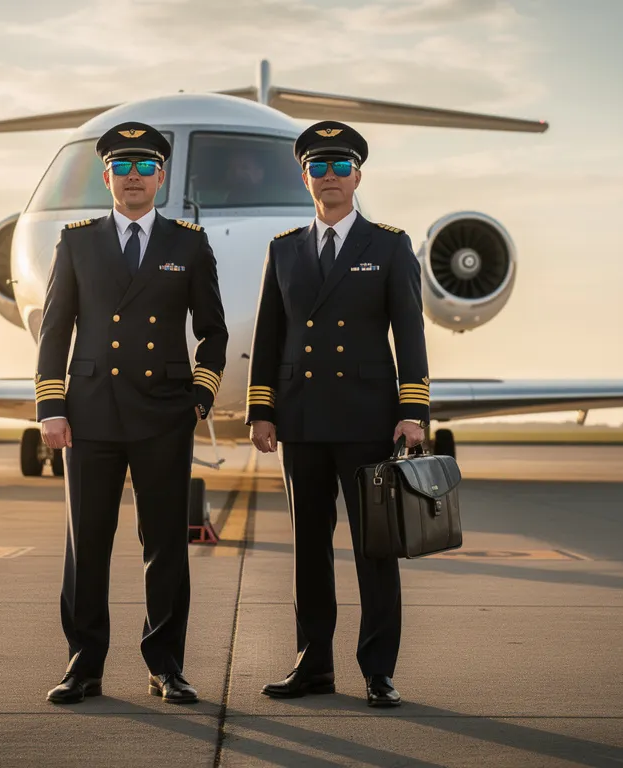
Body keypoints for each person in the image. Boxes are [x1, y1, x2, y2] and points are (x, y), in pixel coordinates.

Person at [34, 120, 228, 705]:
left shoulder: (188, 243)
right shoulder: (77, 241)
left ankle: (166, 665)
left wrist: (199, 396)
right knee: (86, 544)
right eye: (124, 167)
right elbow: (54, 330)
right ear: (107, 175)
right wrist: (51, 406)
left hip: (161, 416)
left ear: (162, 175)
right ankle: (83, 664)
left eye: (146, 167)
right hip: (90, 415)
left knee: (165, 544)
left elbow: (213, 331)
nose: (135, 177)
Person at [244, 120, 429, 708]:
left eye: (340, 167)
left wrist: (413, 409)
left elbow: (411, 333)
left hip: (368, 420)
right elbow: (269, 336)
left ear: (358, 175)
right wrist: (262, 410)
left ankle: (378, 670)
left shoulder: (389, 244)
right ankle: (313, 665)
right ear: (304, 177)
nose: (330, 178)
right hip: (301, 422)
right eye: (318, 168)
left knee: (376, 551)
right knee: (308, 548)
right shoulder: (283, 250)